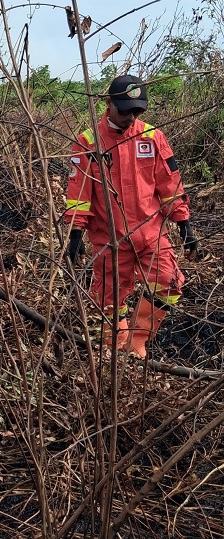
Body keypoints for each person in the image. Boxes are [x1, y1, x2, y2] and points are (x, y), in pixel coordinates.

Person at [65, 74, 199, 358]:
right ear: (108, 104)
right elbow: (79, 191)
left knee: (170, 285)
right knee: (109, 300)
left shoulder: (152, 137)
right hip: (109, 239)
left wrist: (184, 224)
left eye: (137, 110)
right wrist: (74, 234)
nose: (131, 117)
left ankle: (138, 340)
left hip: (151, 234)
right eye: (125, 110)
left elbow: (170, 183)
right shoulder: (89, 142)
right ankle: (117, 348)